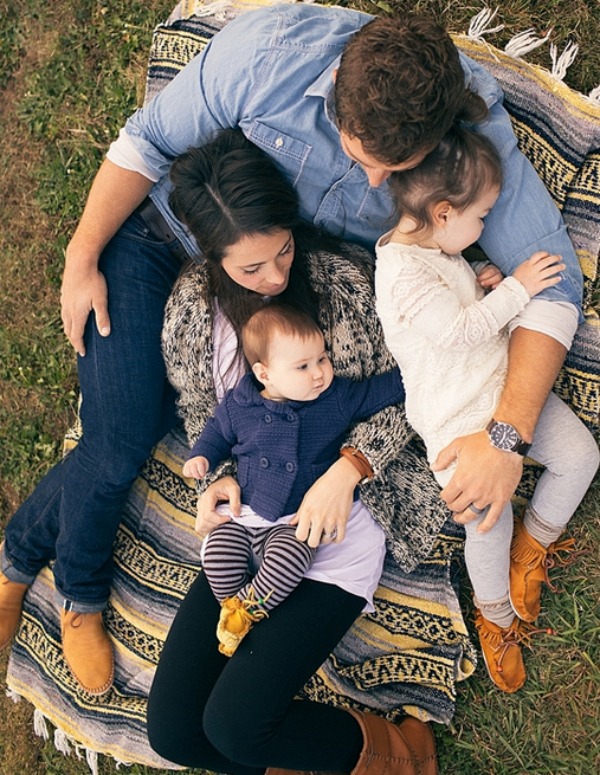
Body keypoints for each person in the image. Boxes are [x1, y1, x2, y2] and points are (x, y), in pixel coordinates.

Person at [0, 4, 583, 695]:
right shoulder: (269, 54)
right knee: (123, 433)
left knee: (143, 418)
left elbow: (556, 282)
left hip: (265, 286)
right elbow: (147, 139)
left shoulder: (469, 118)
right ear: (336, 85)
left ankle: (13, 562)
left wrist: (506, 435)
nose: (374, 183)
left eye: (397, 170)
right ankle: (72, 590)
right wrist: (82, 251)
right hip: (163, 247)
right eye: (365, 157)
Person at [148, 129, 439, 773]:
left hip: (342, 521)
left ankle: (395, 755)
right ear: (210, 254)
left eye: (282, 251)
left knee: (235, 725)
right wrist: (217, 479)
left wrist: (351, 467)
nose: (275, 277)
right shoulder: (192, 310)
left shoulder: (340, 284)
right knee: (173, 733)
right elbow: (204, 411)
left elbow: (413, 384)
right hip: (252, 529)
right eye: (250, 267)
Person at [374, 126, 599, 693]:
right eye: (483, 217)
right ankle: (495, 618)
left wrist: (479, 282)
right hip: (455, 422)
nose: (485, 228)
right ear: (444, 213)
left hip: (500, 393)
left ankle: (536, 544)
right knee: (486, 524)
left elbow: (457, 306)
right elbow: (453, 330)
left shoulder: (432, 248)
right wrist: (516, 290)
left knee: (580, 456)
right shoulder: (399, 272)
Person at [185, 303, 404, 656]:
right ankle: (232, 604)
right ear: (264, 374)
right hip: (247, 513)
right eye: (303, 366)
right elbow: (216, 433)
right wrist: (201, 456)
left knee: (294, 554)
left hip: (296, 518)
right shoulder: (239, 405)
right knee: (219, 552)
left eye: (322, 359)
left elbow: (382, 390)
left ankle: (251, 608)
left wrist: (418, 367)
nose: (318, 373)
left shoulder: (335, 399)